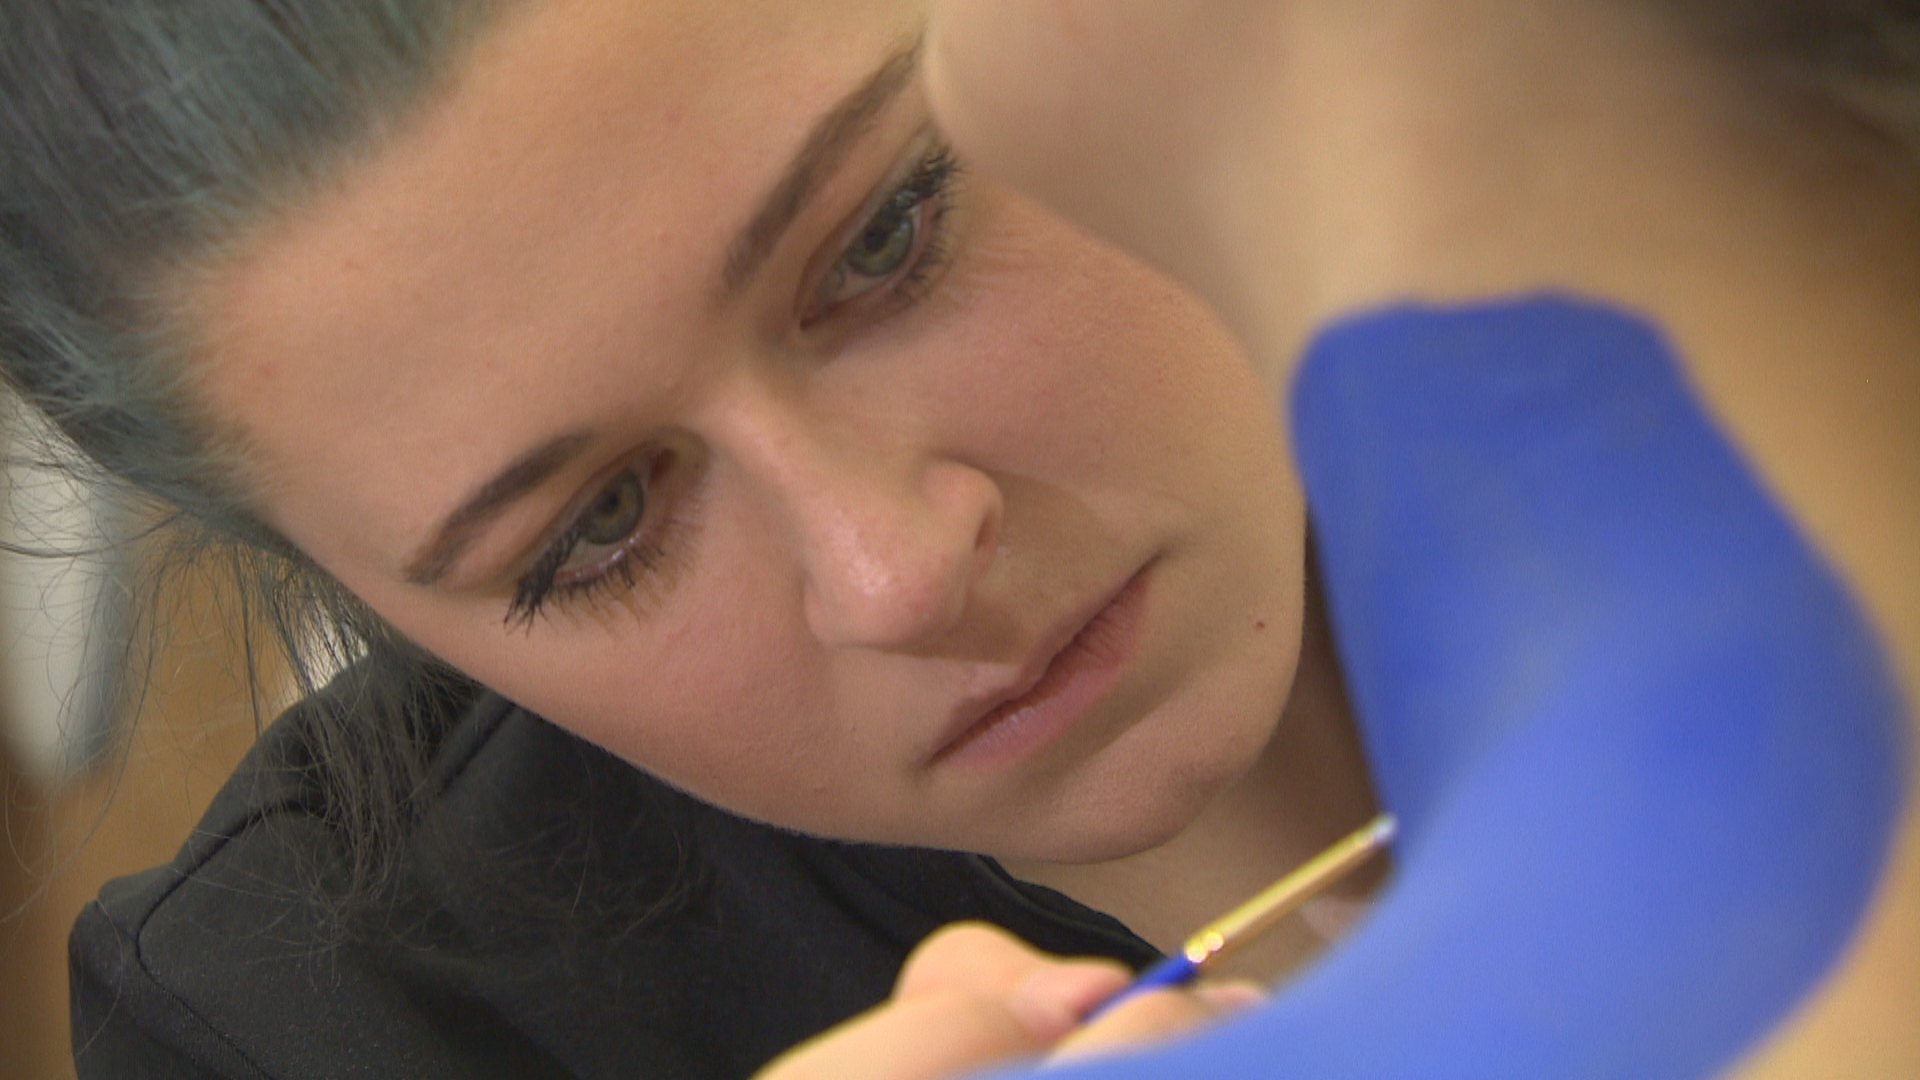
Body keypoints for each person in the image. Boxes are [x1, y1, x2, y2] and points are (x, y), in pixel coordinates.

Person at [0, 2, 1907, 1080]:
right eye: (595, 532)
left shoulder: (1796, 231)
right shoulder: (339, 1032)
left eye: (890, 236)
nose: (899, 570)